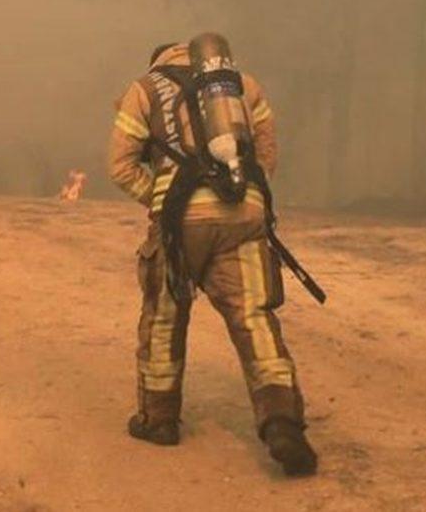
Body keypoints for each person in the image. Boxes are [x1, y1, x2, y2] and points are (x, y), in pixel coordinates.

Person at [107, 34, 318, 476]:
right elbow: (265, 152)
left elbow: (121, 166)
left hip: (180, 224)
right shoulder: (241, 84)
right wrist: (242, 193)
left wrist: (162, 199)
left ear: (158, 61)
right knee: (254, 317)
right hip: (243, 214)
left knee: (164, 317)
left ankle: (158, 420)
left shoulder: (143, 89)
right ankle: (282, 422)